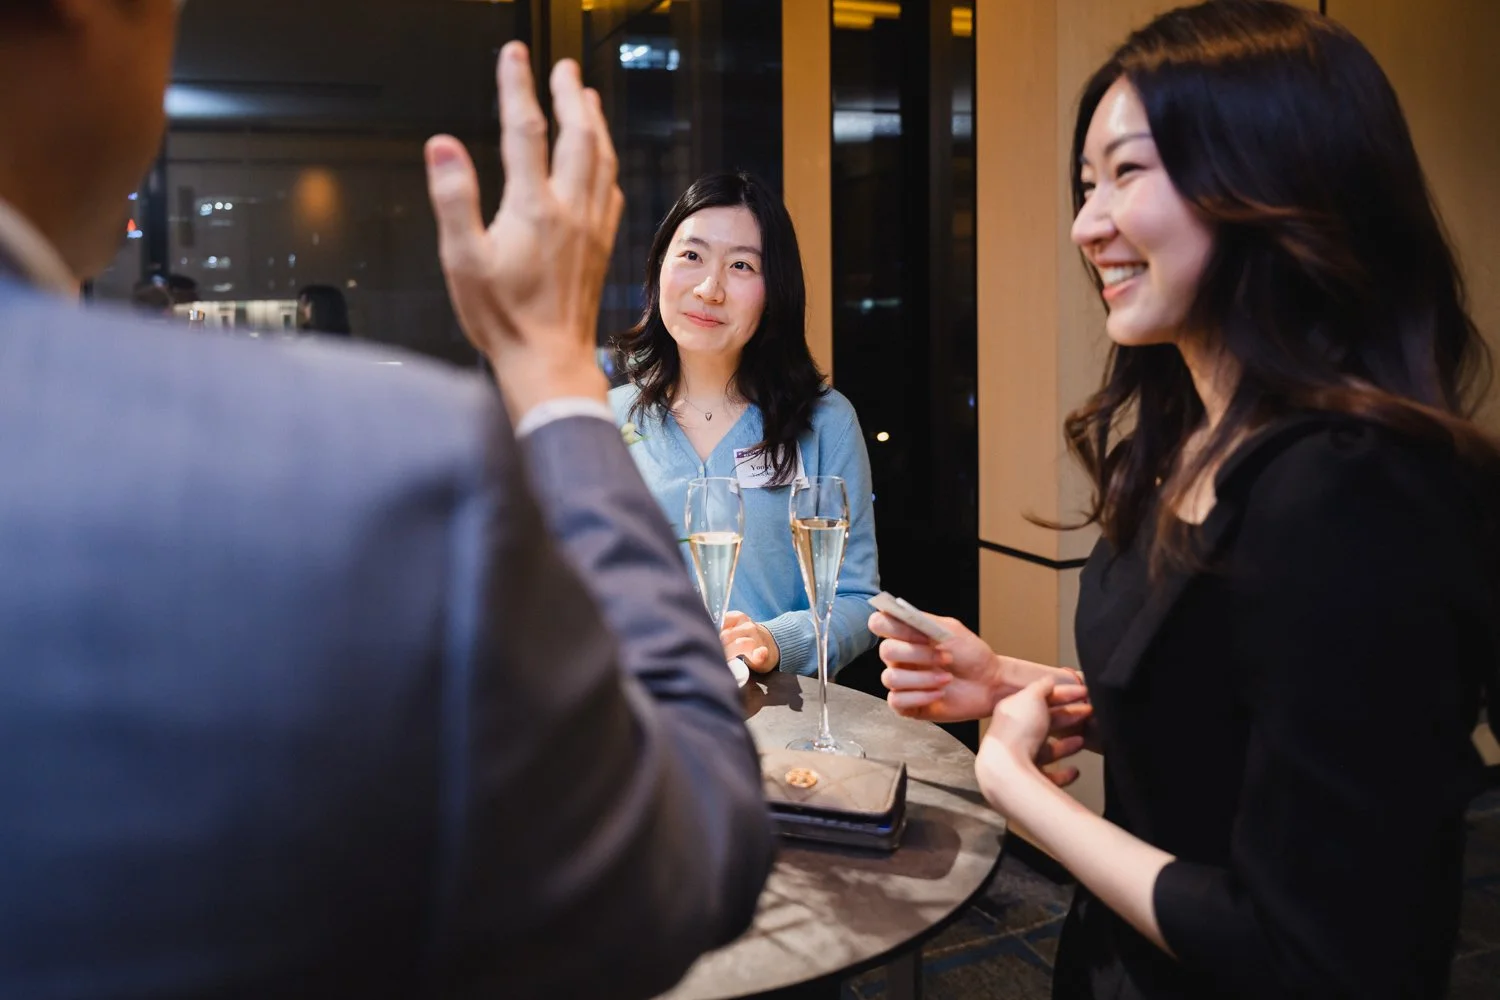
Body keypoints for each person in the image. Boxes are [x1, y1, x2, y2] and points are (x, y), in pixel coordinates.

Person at [0, 4, 770, 998]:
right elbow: (688, 850)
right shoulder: (390, 476)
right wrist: (554, 375)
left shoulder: (813, 416)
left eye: (740, 262)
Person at [873, 2, 1500, 997]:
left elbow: (1312, 954)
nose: (1088, 226)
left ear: (1272, 173)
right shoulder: (1191, 437)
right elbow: (1239, 705)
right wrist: (1006, 677)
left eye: (1126, 173)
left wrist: (1015, 794)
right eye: (1086, 186)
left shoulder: (1351, 494)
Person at [611, 172, 879, 677]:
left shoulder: (825, 423)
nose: (710, 289)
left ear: (775, 289)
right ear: (659, 268)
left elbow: (860, 599)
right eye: (691, 256)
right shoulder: (605, 422)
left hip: (773, 716)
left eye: (740, 265)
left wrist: (774, 642)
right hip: (636, 715)